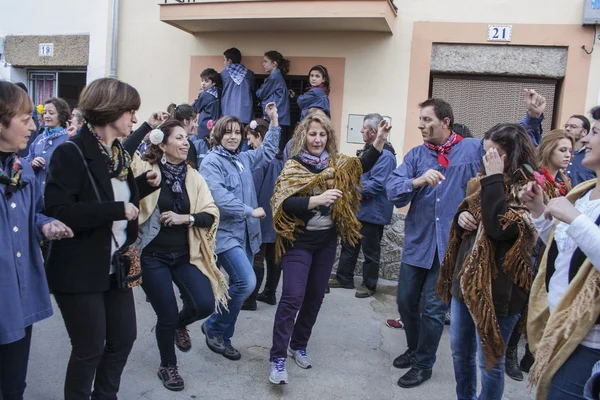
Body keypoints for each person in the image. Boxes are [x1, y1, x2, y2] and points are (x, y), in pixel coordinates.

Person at [44, 78, 160, 399]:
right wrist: (114, 209)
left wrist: (143, 184)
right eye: (130, 112)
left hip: (115, 265)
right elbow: (60, 209)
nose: (134, 120)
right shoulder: (71, 152)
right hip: (79, 268)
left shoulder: (118, 154)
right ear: (110, 110)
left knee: (123, 339)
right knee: (89, 348)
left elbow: (114, 196)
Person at [267, 111, 390, 384]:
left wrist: (380, 139)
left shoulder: (337, 163)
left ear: (328, 137)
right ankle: (277, 358)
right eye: (312, 134)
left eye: (322, 134)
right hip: (298, 242)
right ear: (303, 136)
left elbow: (362, 164)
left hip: (325, 243)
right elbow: (283, 203)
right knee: (292, 297)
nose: (318, 139)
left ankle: (298, 344)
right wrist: (316, 199)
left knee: (314, 298)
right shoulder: (294, 166)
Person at [437, 123, 539, 400]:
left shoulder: (530, 190)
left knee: (490, 364)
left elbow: (498, 228)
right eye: (485, 153)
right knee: (460, 353)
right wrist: (460, 221)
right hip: (465, 286)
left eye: (492, 154)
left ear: (511, 155)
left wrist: (494, 179)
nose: (485, 160)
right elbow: (468, 222)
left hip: (500, 296)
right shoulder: (481, 182)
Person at [385, 98, 482, 388]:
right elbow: (393, 189)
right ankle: (414, 349)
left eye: (427, 120)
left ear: (445, 122)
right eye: (420, 120)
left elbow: (506, 150)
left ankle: (423, 364)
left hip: (450, 248)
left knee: (433, 308)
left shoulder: (471, 149)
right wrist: (417, 181)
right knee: (405, 302)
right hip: (418, 243)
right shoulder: (416, 156)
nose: (421, 125)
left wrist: (533, 118)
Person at [130, 119, 228, 391]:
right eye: (179, 138)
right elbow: (124, 158)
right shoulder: (145, 168)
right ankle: (168, 366)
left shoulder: (194, 177)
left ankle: (178, 325)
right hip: (152, 256)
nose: (186, 142)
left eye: (187, 138)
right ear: (162, 144)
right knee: (167, 314)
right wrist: (146, 127)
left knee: (205, 305)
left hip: (186, 254)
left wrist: (186, 217)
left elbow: (211, 214)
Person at [520, 106, 600, 400]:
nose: (584, 141)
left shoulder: (575, 199)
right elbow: (565, 250)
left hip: (588, 344)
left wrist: (575, 219)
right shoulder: (584, 191)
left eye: (594, 132)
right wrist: (540, 212)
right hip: (560, 331)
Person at [0, 81, 73, 400]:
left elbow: (33, 216)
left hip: (18, 293)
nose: (33, 124)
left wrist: (46, 225)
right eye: (25, 117)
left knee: (14, 384)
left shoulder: (22, 170)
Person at [199, 103, 281, 361]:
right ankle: (214, 326)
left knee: (241, 286)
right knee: (246, 282)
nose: (234, 136)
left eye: (237, 132)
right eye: (228, 132)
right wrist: (249, 210)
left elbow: (267, 150)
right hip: (225, 235)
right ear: (219, 135)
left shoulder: (244, 158)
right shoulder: (212, 162)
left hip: (246, 236)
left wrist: (275, 121)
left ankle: (223, 336)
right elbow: (219, 197)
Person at [504, 129, 574, 382]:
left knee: (540, 304)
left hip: (553, 253)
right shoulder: (531, 177)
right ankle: (509, 353)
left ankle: (530, 354)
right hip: (529, 251)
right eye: (562, 150)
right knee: (521, 303)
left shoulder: (565, 183)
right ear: (549, 149)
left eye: (570, 151)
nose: (568, 155)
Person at [329, 113, 397, 298]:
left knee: (370, 251)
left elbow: (376, 184)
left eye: (364, 128)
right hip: (360, 209)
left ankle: (369, 285)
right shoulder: (368, 150)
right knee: (349, 244)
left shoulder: (386, 155)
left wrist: (350, 188)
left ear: (374, 132)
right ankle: (344, 278)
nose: (361, 131)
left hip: (373, 211)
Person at [241, 118, 285, 310]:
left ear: (259, 136)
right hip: (278, 214)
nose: (249, 143)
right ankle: (270, 293)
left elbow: (254, 189)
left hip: (261, 212)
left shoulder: (260, 161)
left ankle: (249, 299)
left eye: (250, 138)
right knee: (274, 255)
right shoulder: (280, 159)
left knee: (257, 255)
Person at [24, 97, 70, 193]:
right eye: (45, 113)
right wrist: (32, 164)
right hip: (38, 194)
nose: (46, 116)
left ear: (61, 115)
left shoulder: (68, 138)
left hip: (59, 193)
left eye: (51, 113)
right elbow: (26, 162)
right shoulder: (39, 139)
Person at [257, 51, 291, 148]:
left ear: (274, 63)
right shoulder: (277, 76)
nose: (263, 64)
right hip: (281, 118)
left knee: (272, 149)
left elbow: (260, 94)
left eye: (265, 61)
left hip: (276, 119)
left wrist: (264, 84)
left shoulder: (274, 77)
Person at [221, 47, 256, 125]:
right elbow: (253, 90)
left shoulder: (223, 74)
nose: (223, 63)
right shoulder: (249, 74)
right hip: (245, 113)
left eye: (224, 60)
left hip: (228, 113)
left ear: (229, 61)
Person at [565, 114, 596, 186]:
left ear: (584, 132)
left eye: (573, 126)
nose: (568, 129)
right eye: (566, 126)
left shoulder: (592, 158)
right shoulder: (556, 152)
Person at [192, 68, 222, 141]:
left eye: (206, 81)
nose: (203, 83)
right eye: (202, 81)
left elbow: (194, 108)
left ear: (213, 83)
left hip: (205, 126)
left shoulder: (205, 95)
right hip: (216, 124)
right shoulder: (219, 93)